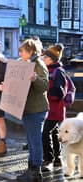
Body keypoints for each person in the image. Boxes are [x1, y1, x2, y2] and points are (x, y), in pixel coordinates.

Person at [16, 38, 49, 182]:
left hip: (36, 109)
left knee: (35, 142)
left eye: (22, 51)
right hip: (28, 108)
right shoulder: (26, 63)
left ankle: (36, 173)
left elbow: (44, 86)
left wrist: (35, 78)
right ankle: (31, 169)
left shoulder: (38, 64)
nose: (20, 53)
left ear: (30, 51)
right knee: (31, 140)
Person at [42, 43, 66, 171]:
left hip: (54, 109)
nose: (43, 59)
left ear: (51, 59)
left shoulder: (58, 71)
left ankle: (48, 160)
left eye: (45, 57)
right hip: (50, 109)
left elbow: (59, 93)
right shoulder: (49, 70)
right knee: (54, 132)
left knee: (45, 133)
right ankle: (58, 158)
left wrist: (45, 92)